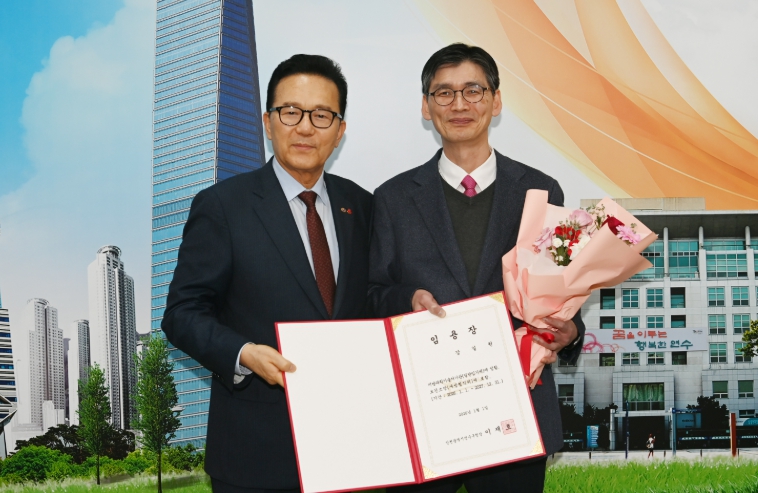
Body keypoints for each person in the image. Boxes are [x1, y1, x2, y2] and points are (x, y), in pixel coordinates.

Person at [369, 43, 585, 493]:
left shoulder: (540, 190)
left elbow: (559, 291)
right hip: (427, 408)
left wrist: (569, 332)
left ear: (496, 100)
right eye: (444, 93)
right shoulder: (392, 198)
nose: (459, 104)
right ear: (426, 107)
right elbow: (373, 292)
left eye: (473, 90)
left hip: (516, 406)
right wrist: (407, 298)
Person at [162, 54, 373, 493]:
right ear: (268, 122)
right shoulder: (223, 206)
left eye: (322, 115)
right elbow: (182, 313)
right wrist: (244, 353)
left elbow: (374, 301)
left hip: (352, 450)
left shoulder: (363, 206)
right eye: (291, 111)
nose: (305, 127)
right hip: (255, 457)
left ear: (340, 130)